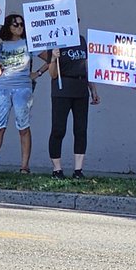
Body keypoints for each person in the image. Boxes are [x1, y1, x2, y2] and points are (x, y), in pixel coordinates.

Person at [0, 13, 43, 174]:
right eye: (16, 24)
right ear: (9, 27)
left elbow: (50, 59)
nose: (20, 27)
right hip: (3, 88)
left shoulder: (29, 44)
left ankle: (24, 166)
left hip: (23, 88)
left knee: (23, 126)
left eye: (21, 24)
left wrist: (38, 73)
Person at [42, 31, 98, 179]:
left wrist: (92, 89)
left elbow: (86, 66)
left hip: (80, 88)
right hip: (62, 89)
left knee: (80, 129)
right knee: (58, 129)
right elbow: (53, 74)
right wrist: (53, 58)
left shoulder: (81, 40)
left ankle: (78, 170)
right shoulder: (54, 43)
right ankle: (57, 169)